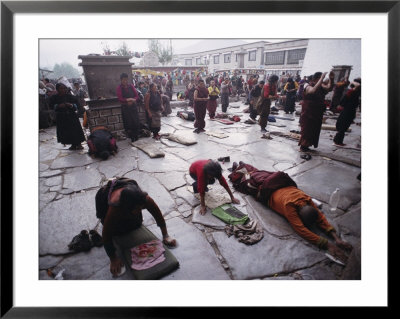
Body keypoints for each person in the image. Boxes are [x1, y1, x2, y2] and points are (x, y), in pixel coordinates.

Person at [228, 161, 353, 263]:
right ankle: (238, 168)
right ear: (298, 215)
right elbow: (301, 230)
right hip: (266, 186)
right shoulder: (290, 207)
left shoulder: (305, 197)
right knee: (244, 183)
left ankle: (241, 166)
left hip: (275, 181)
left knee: (255, 174)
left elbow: (320, 217)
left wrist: (336, 239)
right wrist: (328, 245)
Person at [95, 178, 177, 276]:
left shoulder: (145, 199)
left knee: (136, 224)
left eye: (141, 208)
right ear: (126, 207)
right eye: (136, 209)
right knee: (117, 232)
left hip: (128, 205)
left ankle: (132, 216)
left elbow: (157, 215)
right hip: (104, 205)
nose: (139, 210)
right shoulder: (115, 205)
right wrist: (113, 259)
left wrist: (165, 235)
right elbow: (106, 233)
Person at [299, 71, 335, 152]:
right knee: (307, 129)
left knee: (314, 129)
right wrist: (322, 78)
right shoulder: (307, 85)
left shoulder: (321, 87)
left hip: (317, 111)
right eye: (319, 79)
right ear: (315, 79)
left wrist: (331, 79)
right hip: (308, 111)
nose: (321, 81)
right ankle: (303, 146)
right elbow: (312, 91)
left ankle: (307, 145)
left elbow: (329, 88)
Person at [48, 83, 85, 150]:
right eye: (61, 88)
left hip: (72, 116)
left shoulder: (71, 96)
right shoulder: (54, 98)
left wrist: (71, 105)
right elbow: (51, 106)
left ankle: (79, 144)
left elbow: (77, 106)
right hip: (62, 117)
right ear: (57, 89)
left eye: (64, 88)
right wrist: (58, 106)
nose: (63, 90)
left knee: (75, 130)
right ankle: (72, 144)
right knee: (67, 131)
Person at [333, 78, 361, 146]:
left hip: (350, 110)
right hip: (347, 110)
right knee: (343, 126)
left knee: (344, 126)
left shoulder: (356, 92)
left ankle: (338, 140)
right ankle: (338, 141)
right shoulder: (351, 91)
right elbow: (343, 101)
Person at [116, 73, 141, 142]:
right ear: (121, 80)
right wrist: (127, 100)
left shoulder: (131, 86)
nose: (125, 81)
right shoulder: (119, 88)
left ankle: (136, 135)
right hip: (125, 108)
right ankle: (131, 137)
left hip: (133, 106)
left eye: (126, 80)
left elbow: (136, 96)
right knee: (128, 123)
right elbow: (120, 98)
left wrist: (133, 100)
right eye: (124, 80)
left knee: (135, 121)